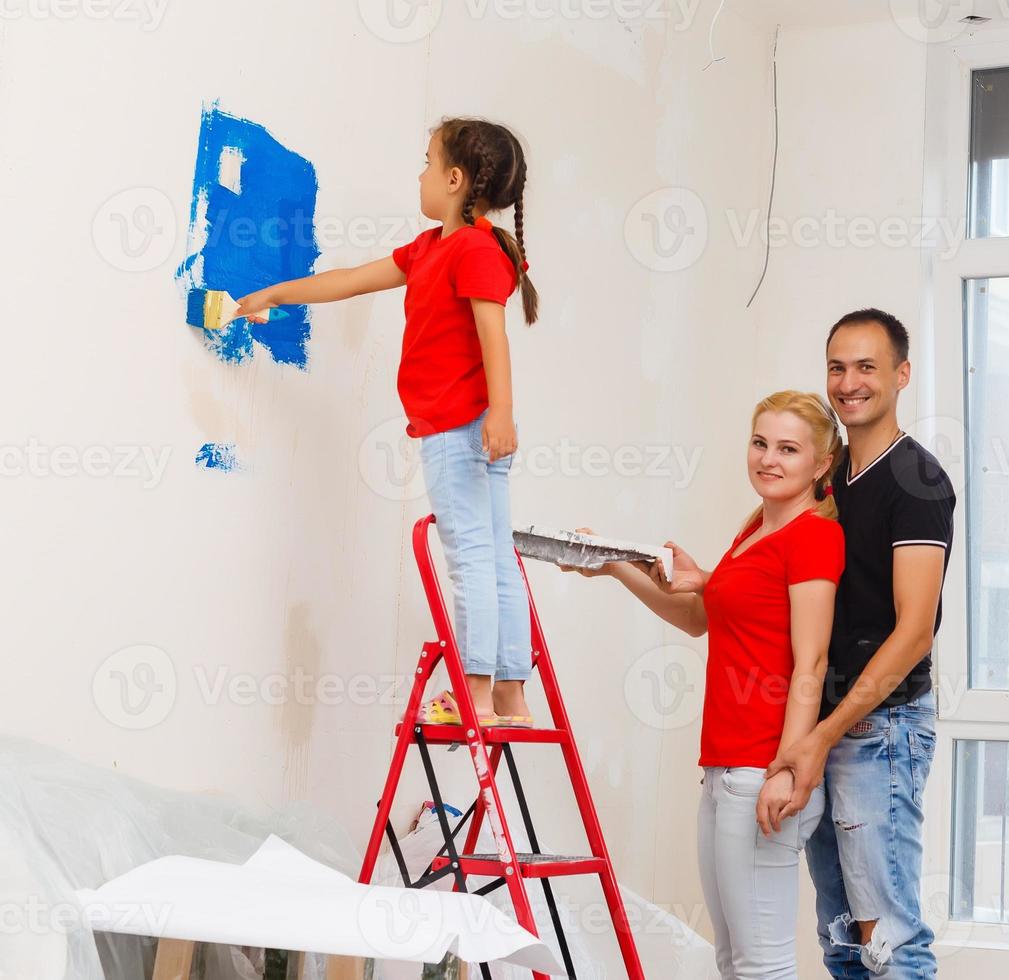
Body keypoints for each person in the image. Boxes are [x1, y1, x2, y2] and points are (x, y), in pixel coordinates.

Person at [235, 118, 540, 727]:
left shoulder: (476, 249)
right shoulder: (429, 249)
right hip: (466, 429)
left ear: (455, 180)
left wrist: (501, 412)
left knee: (474, 556)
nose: (420, 174)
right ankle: (509, 695)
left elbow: (493, 336)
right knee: (495, 555)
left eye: (427, 163)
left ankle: (476, 691)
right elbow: (350, 281)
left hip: (463, 430)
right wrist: (275, 294)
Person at [568, 391, 845, 980]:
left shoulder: (815, 537)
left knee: (761, 965)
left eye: (788, 449)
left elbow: (812, 662)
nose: (769, 459)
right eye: (760, 443)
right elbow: (698, 618)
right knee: (733, 960)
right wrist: (612, 563)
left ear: (821, 464)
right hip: (723, 767)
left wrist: (787, 769)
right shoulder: (754, 528)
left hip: (762, 771)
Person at [766, 309, 956, 978]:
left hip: (881, 728)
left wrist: (826, 734)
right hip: (828, 724)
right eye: (837, 368)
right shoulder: (831, 470)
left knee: (888, 939)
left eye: (867, 367)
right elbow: (763, 551)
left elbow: (914, 632)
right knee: (843, 937)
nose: (849, 383)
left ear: (902, 375)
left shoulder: (918, 483)